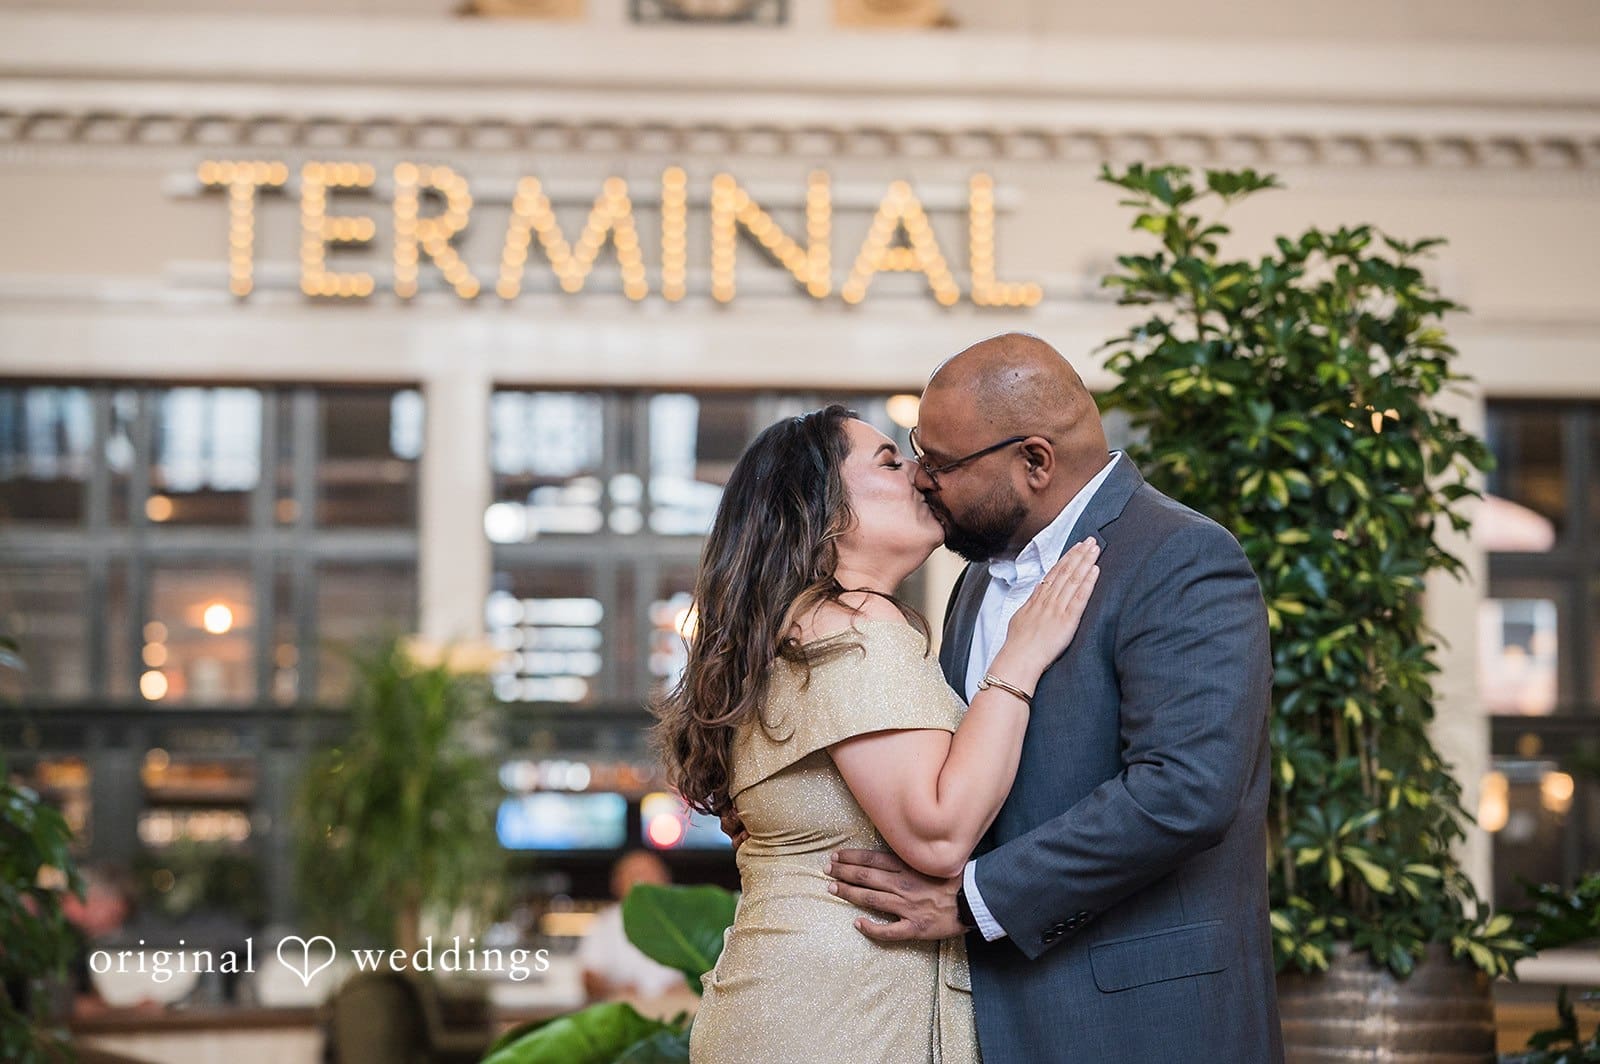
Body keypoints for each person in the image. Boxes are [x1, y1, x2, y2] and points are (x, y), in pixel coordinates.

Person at [827, 333, 1284, 1063]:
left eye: (939, 462)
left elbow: (1184, 791)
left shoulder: (1182, 557)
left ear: (1033, 461)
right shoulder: (976, 578)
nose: (921, 478)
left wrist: (976, 900)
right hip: (982, 1015)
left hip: (1141, 1022)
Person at [654, 402, 1100, 1063]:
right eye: (890, 461)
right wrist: (1020, 657)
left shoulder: (793, 632)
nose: (921, 473)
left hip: (794, 1000)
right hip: (838, 1013)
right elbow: (939, 831)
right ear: (821, 509)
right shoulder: (855, 625)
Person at [577, 850, 683, 1001]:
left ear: (666, 879)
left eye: (649, 874)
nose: (642, 882)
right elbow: (589, 976)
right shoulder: (604, 923)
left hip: (682, 1012)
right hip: (623, 1012)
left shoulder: (686, 920)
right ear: (616, 883)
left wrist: (691, 987)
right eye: (634, 875)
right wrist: (616, 991)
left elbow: (711, 969)